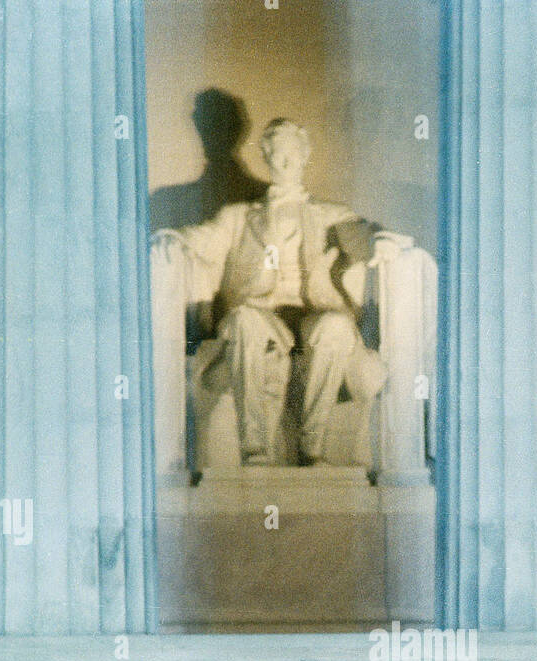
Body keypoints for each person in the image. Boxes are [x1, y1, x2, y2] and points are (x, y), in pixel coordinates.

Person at [154, 117, 386, 468]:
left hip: (314, 313)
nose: (286, 161)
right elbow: (203, 238)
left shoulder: (331, 215)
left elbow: (364, 237)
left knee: (336, 326)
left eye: (293, 152)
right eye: (277, 154)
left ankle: (313, 449)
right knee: (245, 321)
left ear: (306, 154)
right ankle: (255, 452)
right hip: (260, 313)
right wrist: (174, 238)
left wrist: (383, 243)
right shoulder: (239, 216)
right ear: (267, 157)